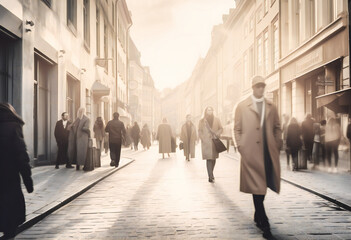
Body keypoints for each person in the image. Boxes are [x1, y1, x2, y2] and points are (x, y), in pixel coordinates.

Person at [233, 76, 281, 239]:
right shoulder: (241, 106)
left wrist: (277, 144)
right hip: (250, 153)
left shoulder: (271, 106)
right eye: (258, 86)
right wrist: (241, 147)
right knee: (257, 186)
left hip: (268, 152)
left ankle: (256, 214)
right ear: (253, 88)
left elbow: (277, 127)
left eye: (263, 86)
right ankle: (265, 223)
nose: (261, 89)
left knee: (263, 186)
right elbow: (237, 129)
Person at [0, 103, 34, 240]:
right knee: (10, 212)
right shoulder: (13, 126)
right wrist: (28, 181)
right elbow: (21, 156)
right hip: (9, 178)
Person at [198, 107, 223, 183]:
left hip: (214, 141)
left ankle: (211, 173)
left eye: (211, 110)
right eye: (208, 110)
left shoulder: (217, 119)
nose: (210, 111)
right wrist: (202, 138)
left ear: (213, 111)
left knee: (214, 159)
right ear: (205, 111)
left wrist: (217, 134)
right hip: (206, 142)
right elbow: (199, 130)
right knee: (209, 159)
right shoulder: (202, 121)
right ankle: (210, 176)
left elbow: (221, 128)